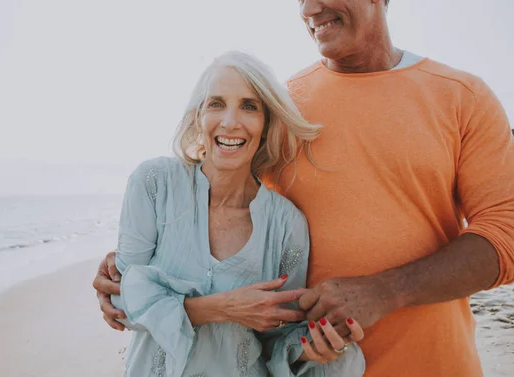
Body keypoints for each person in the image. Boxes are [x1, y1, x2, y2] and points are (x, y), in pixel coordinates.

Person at [95, 1, 514, 376]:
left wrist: (387, 291)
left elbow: (506, 234)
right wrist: (129, 266)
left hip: (433, 365)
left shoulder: (462, 96)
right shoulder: (284, 106)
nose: (310, 8)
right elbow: (220, 201)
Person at [108, 51, 366, 377]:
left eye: (249, 106)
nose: (230, 122)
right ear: (198, 116)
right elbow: (121, 305)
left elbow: (278, 337)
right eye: (216, 104)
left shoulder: (287, 225)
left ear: (266, 123)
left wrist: (315, 348)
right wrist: (221, 309)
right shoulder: (155, 184)